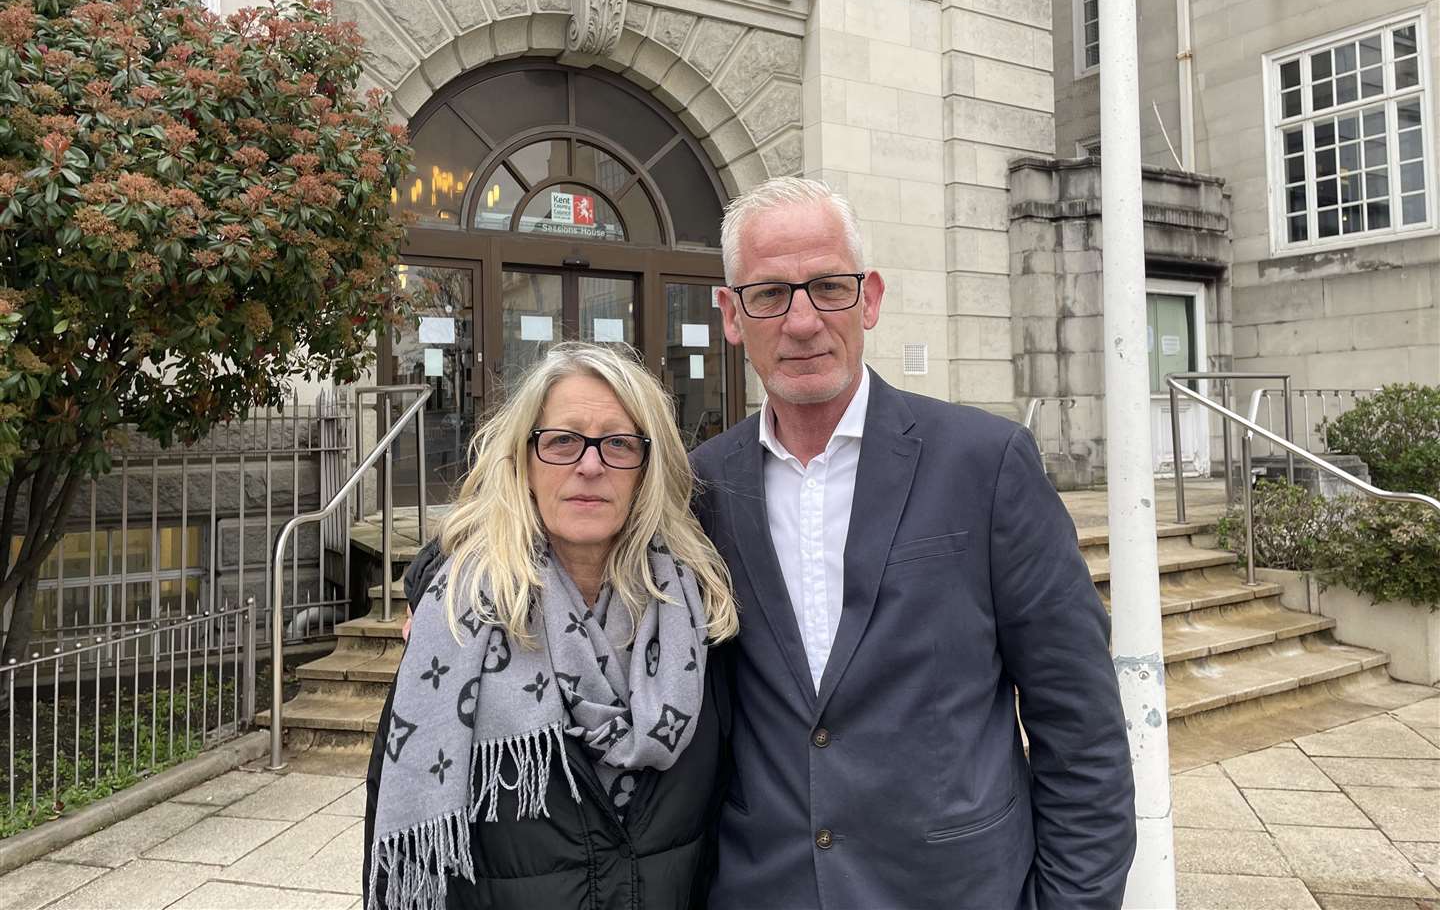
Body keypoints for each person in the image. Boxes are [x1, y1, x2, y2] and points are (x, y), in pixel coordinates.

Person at [689, 177, 1136, 910]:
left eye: (828, 287)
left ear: (869, 298)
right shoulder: (702, 486)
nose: (802, 321)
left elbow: (1080, 725)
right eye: (769, 294)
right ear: (732, 315)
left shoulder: (985, 464)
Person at [364, 342, 738, 910]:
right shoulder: (458, 625)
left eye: (618, 443)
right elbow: (402, 854)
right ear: (525, 461)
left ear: (646, 469)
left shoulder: (700, 615)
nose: (590, 465)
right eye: (562, 441)